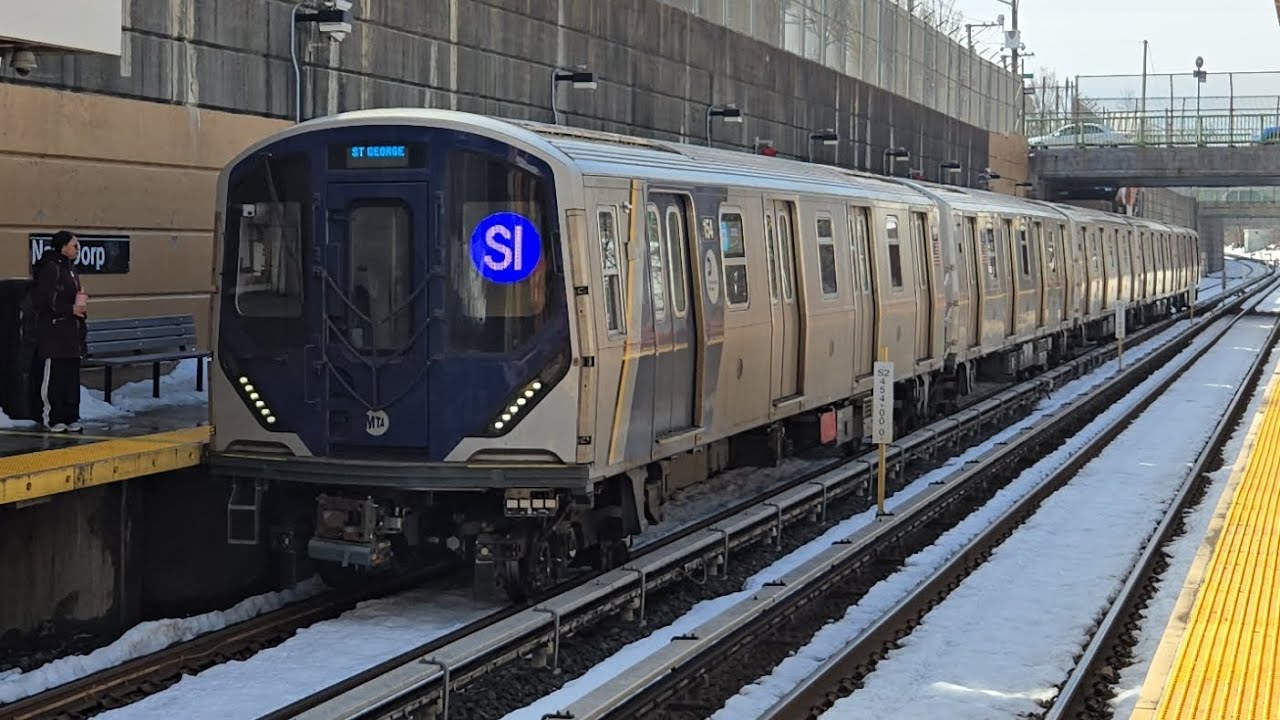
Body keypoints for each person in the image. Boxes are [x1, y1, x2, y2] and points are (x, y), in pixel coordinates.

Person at [30, 230, 87, 433]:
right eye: (74, 246)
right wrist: (68, 309)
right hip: (55, 332)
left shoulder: (72, 270)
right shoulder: (51, 268)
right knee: (55, 376)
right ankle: (54, 416)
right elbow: (44, 302)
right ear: (62, 247)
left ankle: (71, 415)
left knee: (71, 377)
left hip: (72, 332)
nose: (77, 250)